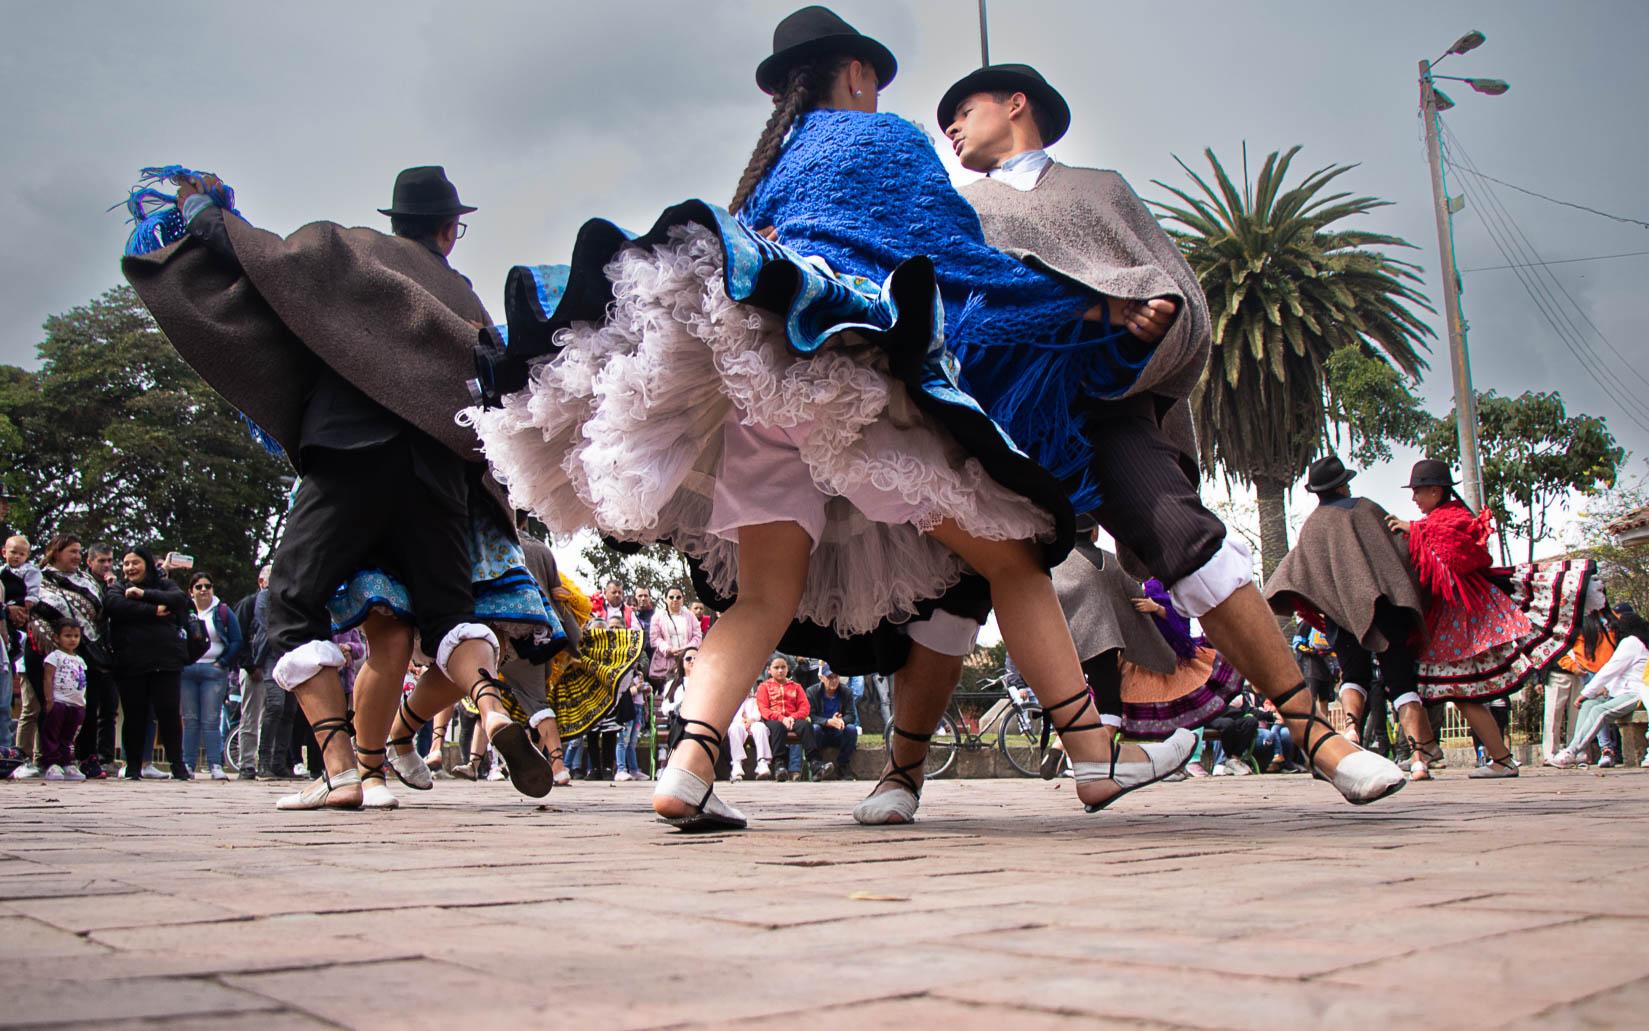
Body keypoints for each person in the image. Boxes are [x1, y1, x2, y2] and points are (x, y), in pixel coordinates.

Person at [468, 5, 1215, 831]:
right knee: (1014, 558)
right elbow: (960, 265)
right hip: (849, 377)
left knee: (762, 596)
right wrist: (1092, 309)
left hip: (754, 388)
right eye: (872, 79)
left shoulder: (775, 167)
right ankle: (1093, 753)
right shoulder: (886, 140)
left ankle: (688, 766)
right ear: (856, 73)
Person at [933, 61, 1408, 807]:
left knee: (1188, 537)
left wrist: (1149, 320)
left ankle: (1320, 738)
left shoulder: (1101, 190)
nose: (952, 128)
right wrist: (1085, 311)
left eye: (964, 109)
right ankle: (904, 775)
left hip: (1106, 404)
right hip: (1000, 423)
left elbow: (1175, 289)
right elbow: (959, 311)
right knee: (950, 581)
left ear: (1016, 103)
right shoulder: (959, 208)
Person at [125, 164, 547, 810]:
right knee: (448, 616)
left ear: (397, 220)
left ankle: (340, 766)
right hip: (439, 471)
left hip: (351, 452)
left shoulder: (349, 251)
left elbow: (264, 257)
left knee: (291, 601)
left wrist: (201, 210)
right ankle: (490, 708)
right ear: (448, 230)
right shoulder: (462, 297)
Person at [1385, 459, 1597, 778]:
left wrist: (1413, 529)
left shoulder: (1451, 519)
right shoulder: (1436, 520)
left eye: (1417, 491)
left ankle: (1494, 758)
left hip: (1462, 622)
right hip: (1447, 623)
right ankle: (1427, 751)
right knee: (1433, 688)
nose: (1413, 498)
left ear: (1435, 490)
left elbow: (1458, 554)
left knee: (1462, 693)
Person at [1265, 456, 1442, 780]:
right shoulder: (1367, 509)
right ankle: (1418, 758)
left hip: (1342, 612)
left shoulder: (1313, 525)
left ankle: (1351, 731)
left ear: (1317, 491)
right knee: (1401, 680)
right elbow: (1401, 550)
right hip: (1387, 606)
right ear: (1343, 485)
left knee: (1353, 675)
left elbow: (1300, 570)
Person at [103, 547, 190, 780]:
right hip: (131, 663)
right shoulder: (118, 588)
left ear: (148, 564)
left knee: (169, 714)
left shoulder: (164, 585)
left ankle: (178, 766)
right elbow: (114, 605)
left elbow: (179, 599)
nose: (130, 568)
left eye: (135, 563)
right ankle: (132, 767)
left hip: (166, 661)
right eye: (126, 563)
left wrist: (142, 594)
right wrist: (153, 610)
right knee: (134, 716)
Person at [1549, 613, 1648, 768]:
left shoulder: (1632, 642)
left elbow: (1611, 669)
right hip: (1619, 692)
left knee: (1600, 710)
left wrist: (1586, 692)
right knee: (1588, 705)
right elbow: (1620, 672)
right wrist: (1600, 691)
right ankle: (1579, 752)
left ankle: (1572, 751)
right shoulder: (1631, 642)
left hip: (1635, 694)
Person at [179, 571, 242, 781]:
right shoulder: (184, 612)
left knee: (211, 719)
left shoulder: (222, 611)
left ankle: (215, 764)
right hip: (187, 670)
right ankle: (187, 764)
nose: (203, 590)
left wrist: (222, 662)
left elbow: (236, 640)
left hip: (213, 671)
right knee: (190, 719)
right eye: (198, 587)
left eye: (208, 586)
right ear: (191, 591)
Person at [1547, 611, 1616, 764]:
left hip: (1606, 672)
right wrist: (1573, 666)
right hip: (1590, 672)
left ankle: (1591, 749)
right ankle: (1600, 749)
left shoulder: (1608, 620)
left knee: (1594, 710)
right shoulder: (1576, 622)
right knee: (1594, 709)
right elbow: (1557, 649)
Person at [757, 655, 830, 782]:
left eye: (783, 667)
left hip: (793, 719)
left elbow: (805, 707)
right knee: (778, 727)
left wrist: (792, 717)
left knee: (805, 725)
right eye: (776, 668)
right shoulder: (764, 687)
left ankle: (815, 764)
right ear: (769, 670)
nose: (780, 670)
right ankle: (780, 765)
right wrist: (781, 718)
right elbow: (763, 709)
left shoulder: (796, 686)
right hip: (774, 720)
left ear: (788, 668)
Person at [3, 535, 42, 775]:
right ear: (4, 552)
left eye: (21, 554)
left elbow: (33, 597)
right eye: (13, 552)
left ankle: (15, 755)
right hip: (5, 622)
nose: (16, 557)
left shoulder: (31, 573)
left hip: (19, 634)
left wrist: (24, 608)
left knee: (17, 703)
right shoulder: (2, 573)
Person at [38, 619, 89, 782]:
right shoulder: (54, 657)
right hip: (59, 702)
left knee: (69, 736)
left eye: (76, 636)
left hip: (77, 704)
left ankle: (67, 763)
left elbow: (82, 681)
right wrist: (49, 700)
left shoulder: (80, 660)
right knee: (52, 733)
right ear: (56, 637)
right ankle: (51, 763)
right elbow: (48, 678)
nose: (72, 639)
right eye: (67, 636)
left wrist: (83, 702)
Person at [805, 669, 859, 779]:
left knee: (852, 729)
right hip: (821, 733)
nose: (834, 680)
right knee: (814, 728)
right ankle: (817, 766)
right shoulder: (812, 691)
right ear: (821, 678)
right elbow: (811, 716)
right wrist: (828, 722)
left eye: (836, 677)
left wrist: (841, 721)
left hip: (839, 732)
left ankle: (843, 765)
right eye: (830, 677)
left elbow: (851, 715)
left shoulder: (846, 691)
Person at [727, 684, 773, 782]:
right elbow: (730, 714)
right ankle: (737, 763)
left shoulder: (755, 699)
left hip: (753, 722)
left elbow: (758, 713)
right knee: (734, 728)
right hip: (738, 723)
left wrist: (751, 720)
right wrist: (742, 720)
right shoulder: (732, 699)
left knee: (761, 727)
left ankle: (762, 762)